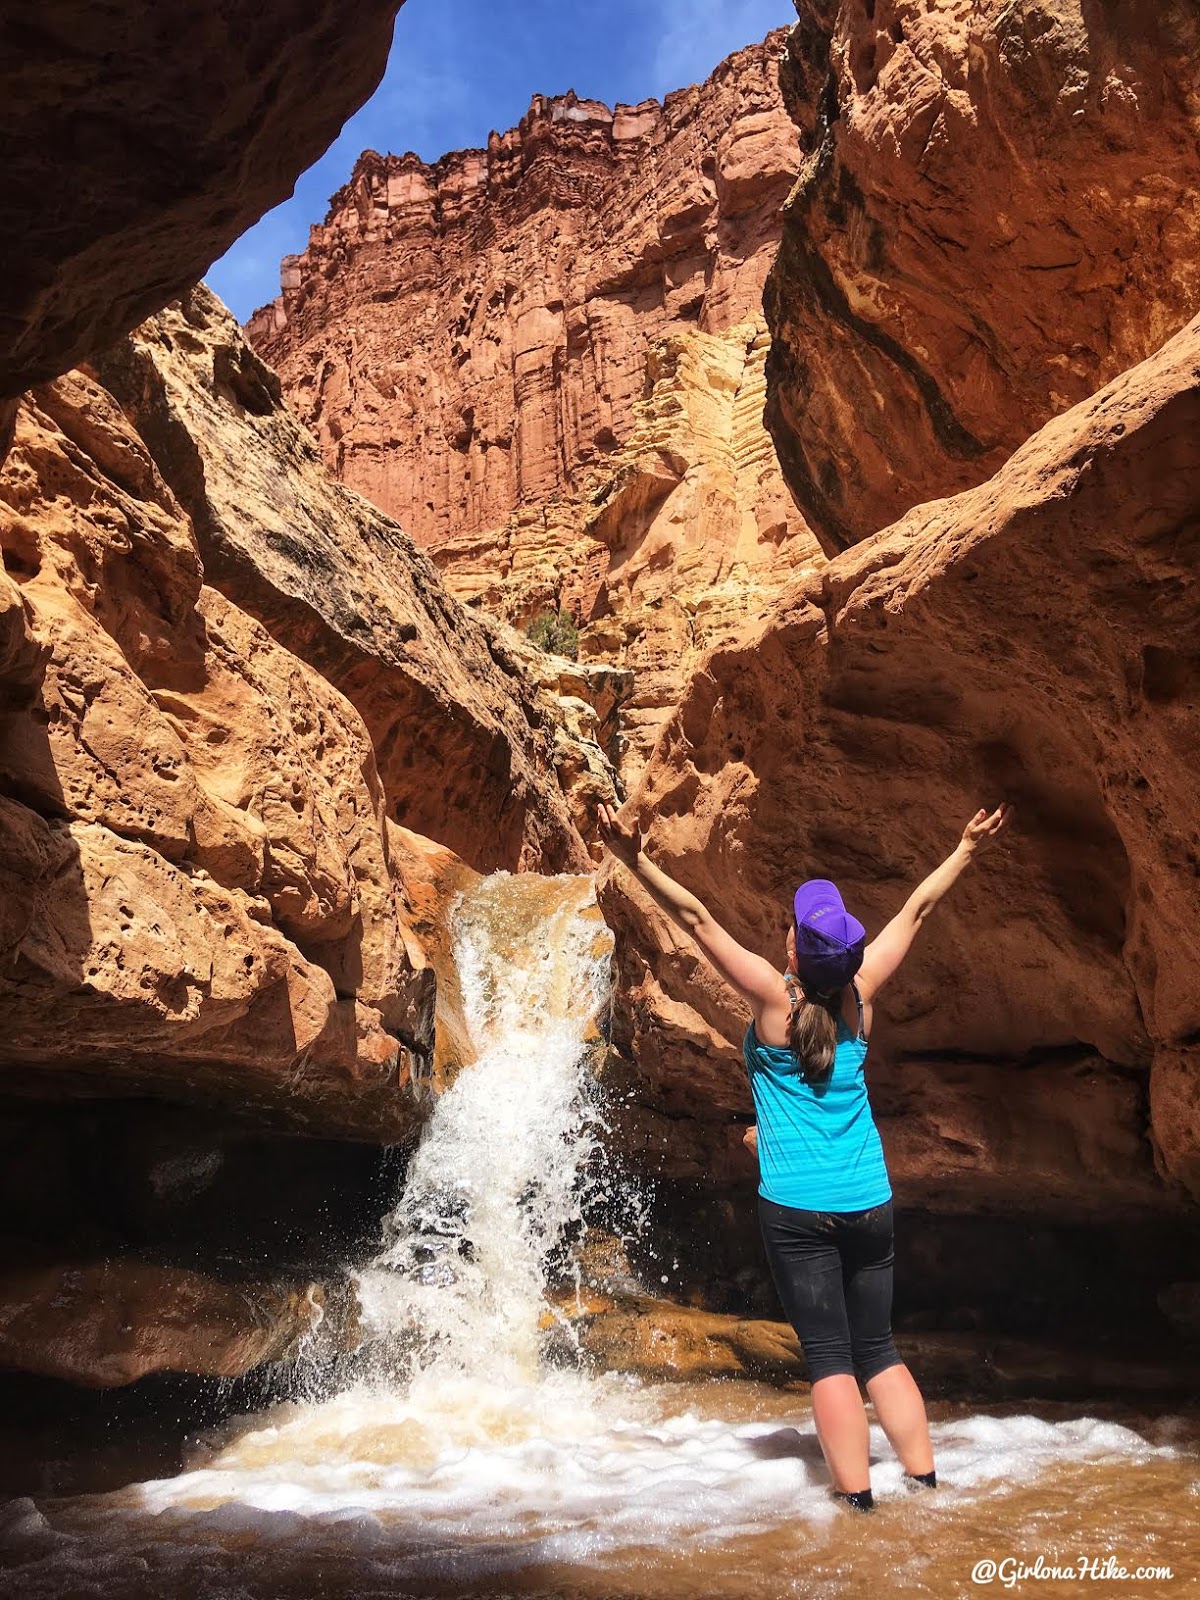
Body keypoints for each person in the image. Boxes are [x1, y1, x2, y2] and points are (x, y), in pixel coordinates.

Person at [597, 800, 1012, 1513]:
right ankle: (927, 1487)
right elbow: (916, 912)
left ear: (793, 949)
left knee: (828, 1358)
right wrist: (967, 849)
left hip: (796, 1208)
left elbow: (695, 920)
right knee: (877, 1348)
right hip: (870, 1201)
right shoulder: (863, 995)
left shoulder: (769, 997)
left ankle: (857, 1507)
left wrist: (632, 859)